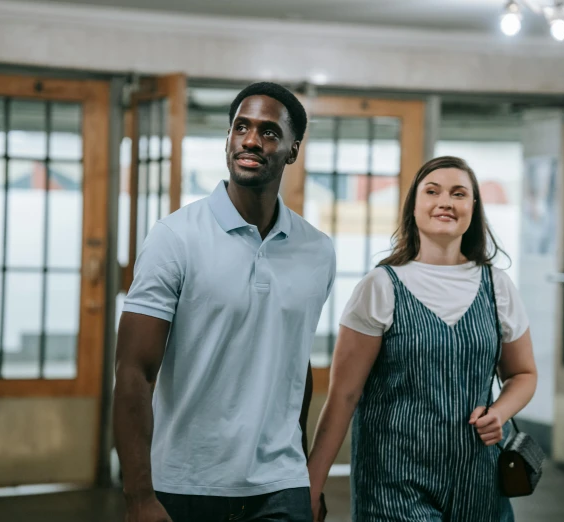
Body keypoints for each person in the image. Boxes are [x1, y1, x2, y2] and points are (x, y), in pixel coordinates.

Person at [114, 82, 336, 522]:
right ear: (229, 138)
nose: (252, 140)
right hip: (185, 482)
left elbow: (295, 364)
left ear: (293, 150)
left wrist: (306, 475)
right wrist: (139, 496)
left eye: (269, 132)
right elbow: (133, 372)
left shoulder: (318, 250)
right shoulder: (175, 238)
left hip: (281, 484)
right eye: (241, 127)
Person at [307, 156, 537, 521]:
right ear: (413, 206)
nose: (445, 201)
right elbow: (344, 395)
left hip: (478, 480)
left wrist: (499, 412)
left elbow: (523, 374)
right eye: (432, 191)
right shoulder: (380, 287)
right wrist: (311, 487)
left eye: (459, 193)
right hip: (393, 480)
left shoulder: (498, 287)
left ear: (472, 208)